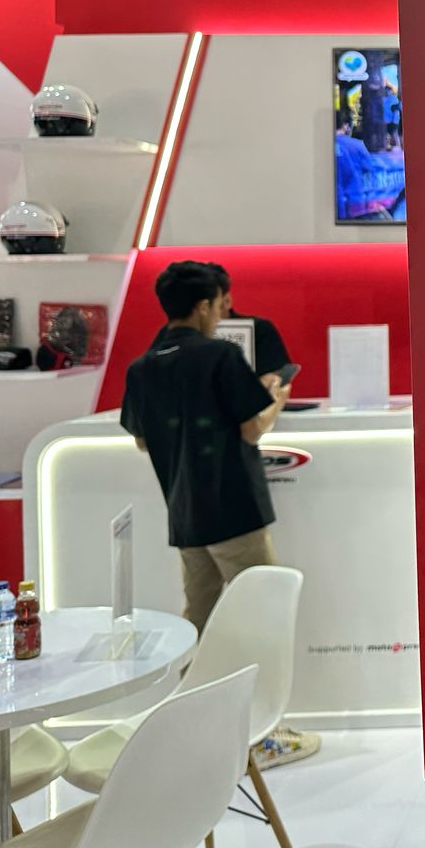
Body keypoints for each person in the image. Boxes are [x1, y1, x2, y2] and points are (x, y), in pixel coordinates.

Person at [121, 261, 288, 632]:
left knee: (199, 615)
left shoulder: (141, 368)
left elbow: (142, 441)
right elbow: (251, 429)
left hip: (185, 515)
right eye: (217, 305)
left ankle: (195, 672)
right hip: (234, 508)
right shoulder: (221, 355)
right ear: (203, 306)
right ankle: (258, 673)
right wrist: (276, 400)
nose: (220, 315)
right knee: (263, 610)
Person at [205, 261, 292, 378]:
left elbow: (276, 377)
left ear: (227, 301)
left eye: (207, 305)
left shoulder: (259, 330)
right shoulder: (183, 336)